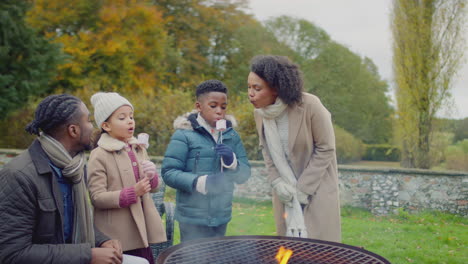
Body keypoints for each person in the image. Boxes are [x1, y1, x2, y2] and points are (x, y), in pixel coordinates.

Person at [0, 94, 124, 264]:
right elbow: (12, 254)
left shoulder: (74, 167)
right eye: (88, 121)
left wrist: (101, 240)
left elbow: (69, 221)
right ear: (73, 130)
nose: (92, 127)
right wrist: (87, 255)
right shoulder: (19, 176)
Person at [247, 55, 341, 242]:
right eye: (249, 87)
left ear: (276, 88)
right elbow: (266, 150)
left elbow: (326, 148)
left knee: (319, 252)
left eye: (257, 88)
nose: (250, 93)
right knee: (290, 251)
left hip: (316, 190)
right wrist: (276, 182)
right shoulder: (260, 114)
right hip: (285, 194)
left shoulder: (310, 105)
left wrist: (303, 189)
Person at [161, 80, 251, 242]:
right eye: (213, 105)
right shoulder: (184, 135)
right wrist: (201, 182)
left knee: (215, 257)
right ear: (198, 106)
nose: (219, 111)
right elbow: (169, 172)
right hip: (191, 217)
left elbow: (244, 174)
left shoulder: (231, 136)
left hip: (221, 215)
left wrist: (233, 162)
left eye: (223, 107)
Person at [87, 92, 166, 264]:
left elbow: (153, 187)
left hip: (141, 229)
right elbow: (97, 197)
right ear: (106, 126)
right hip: (116, 234)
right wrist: (132, 193)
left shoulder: (138, 148)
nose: (130, 121)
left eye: (131, 116)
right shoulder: (99, 155)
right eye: (122, 118)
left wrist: (152, 176)